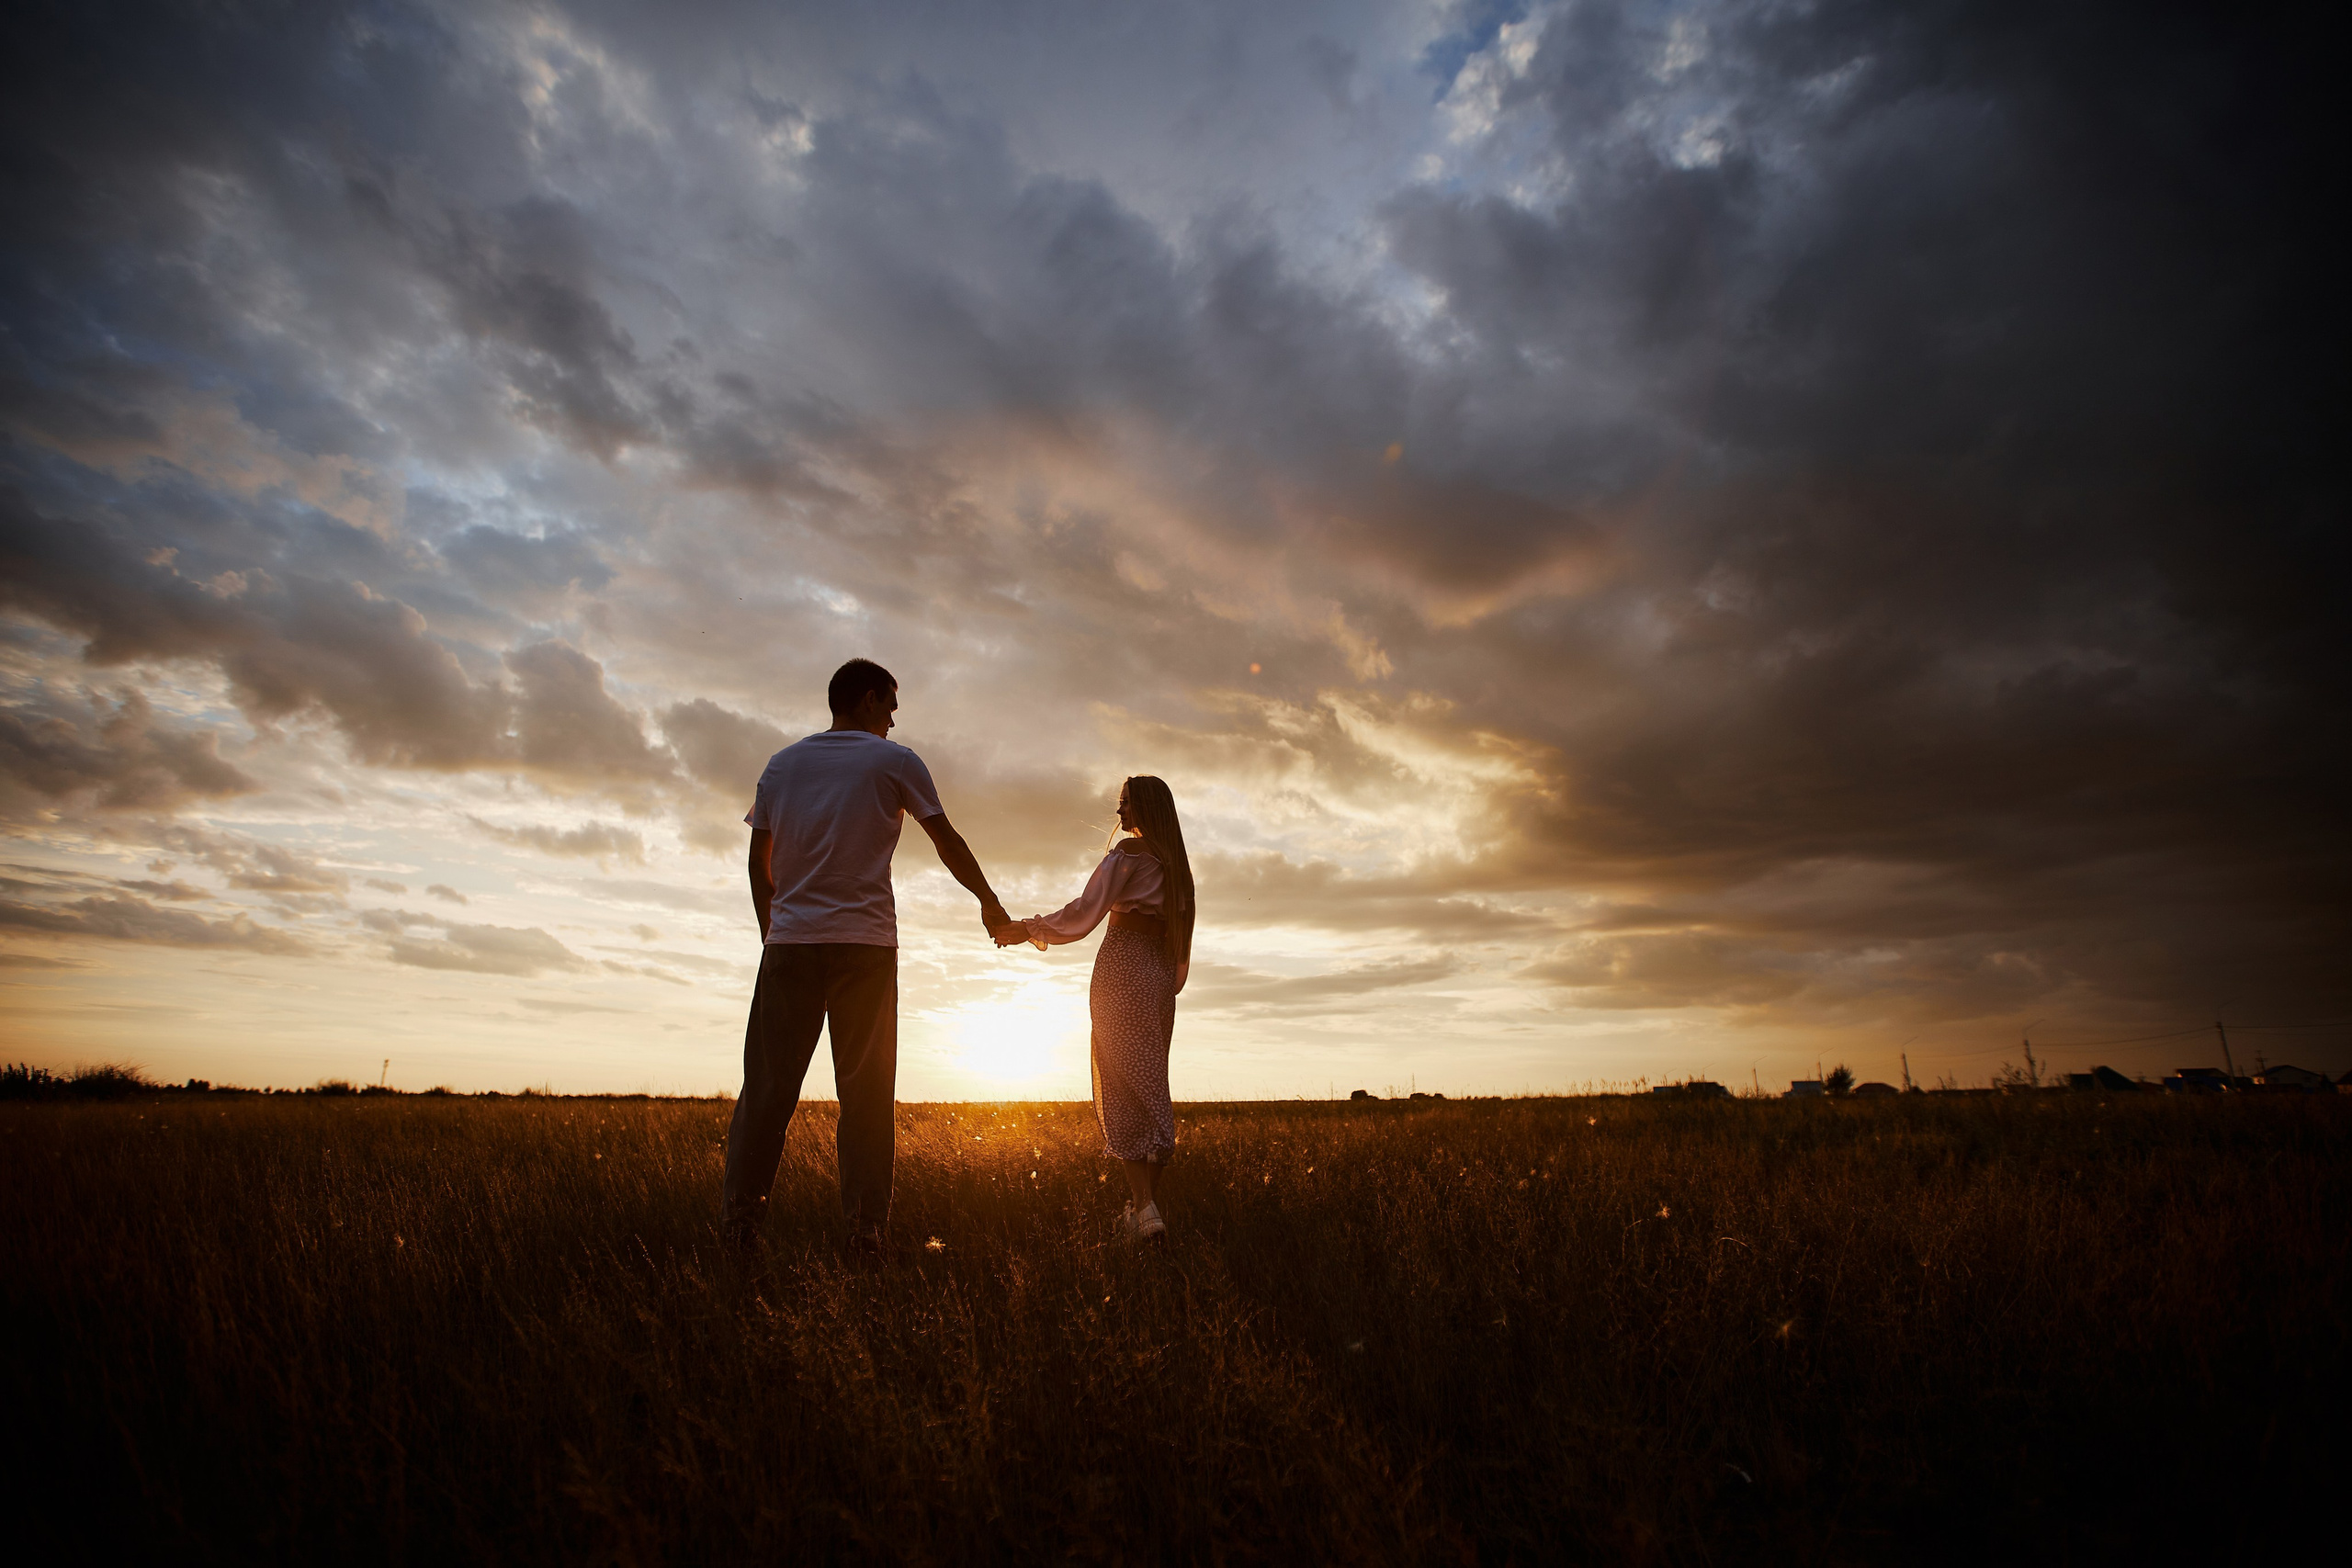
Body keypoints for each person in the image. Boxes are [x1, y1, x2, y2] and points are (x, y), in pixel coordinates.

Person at [725, 658, 1015, 1254]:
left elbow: (759, 863)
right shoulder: (896, 761)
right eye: (890, 703)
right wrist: (989, 901)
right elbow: (946, 840)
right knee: (866, 1096)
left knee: (767, 1094)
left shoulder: (781, 764)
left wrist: (772, 933)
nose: (894, 717)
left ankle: (739, 1229)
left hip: (791, 947)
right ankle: (865, 1231)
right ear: (865, 699)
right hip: (865, 948)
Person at [1008, 775, 1194, 1242]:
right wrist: (1164, 984)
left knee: (1122, 1085)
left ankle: (1145, 1209)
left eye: (1126, 803)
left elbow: (1086, 911)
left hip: (1122, 968)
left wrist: (1030, 928)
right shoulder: (1179, 869)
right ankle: (1143, 1211)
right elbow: (1181, 958)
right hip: (1157, 979)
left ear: (1146, 807)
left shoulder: (1129, 854)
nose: (1119, 811)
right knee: (1150, 1086)